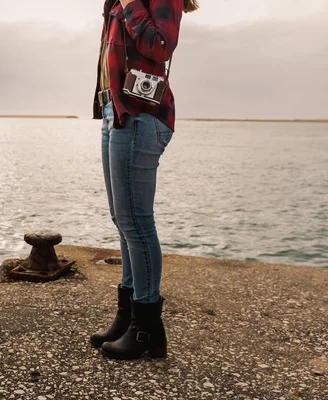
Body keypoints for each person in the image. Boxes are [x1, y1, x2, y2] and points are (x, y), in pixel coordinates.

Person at [89, 0, 199, 360]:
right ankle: (129, 316)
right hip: (116, 109)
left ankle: (146, 328)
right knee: (122, 221)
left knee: (136, 222)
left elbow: (161, 46)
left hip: (140, 115)